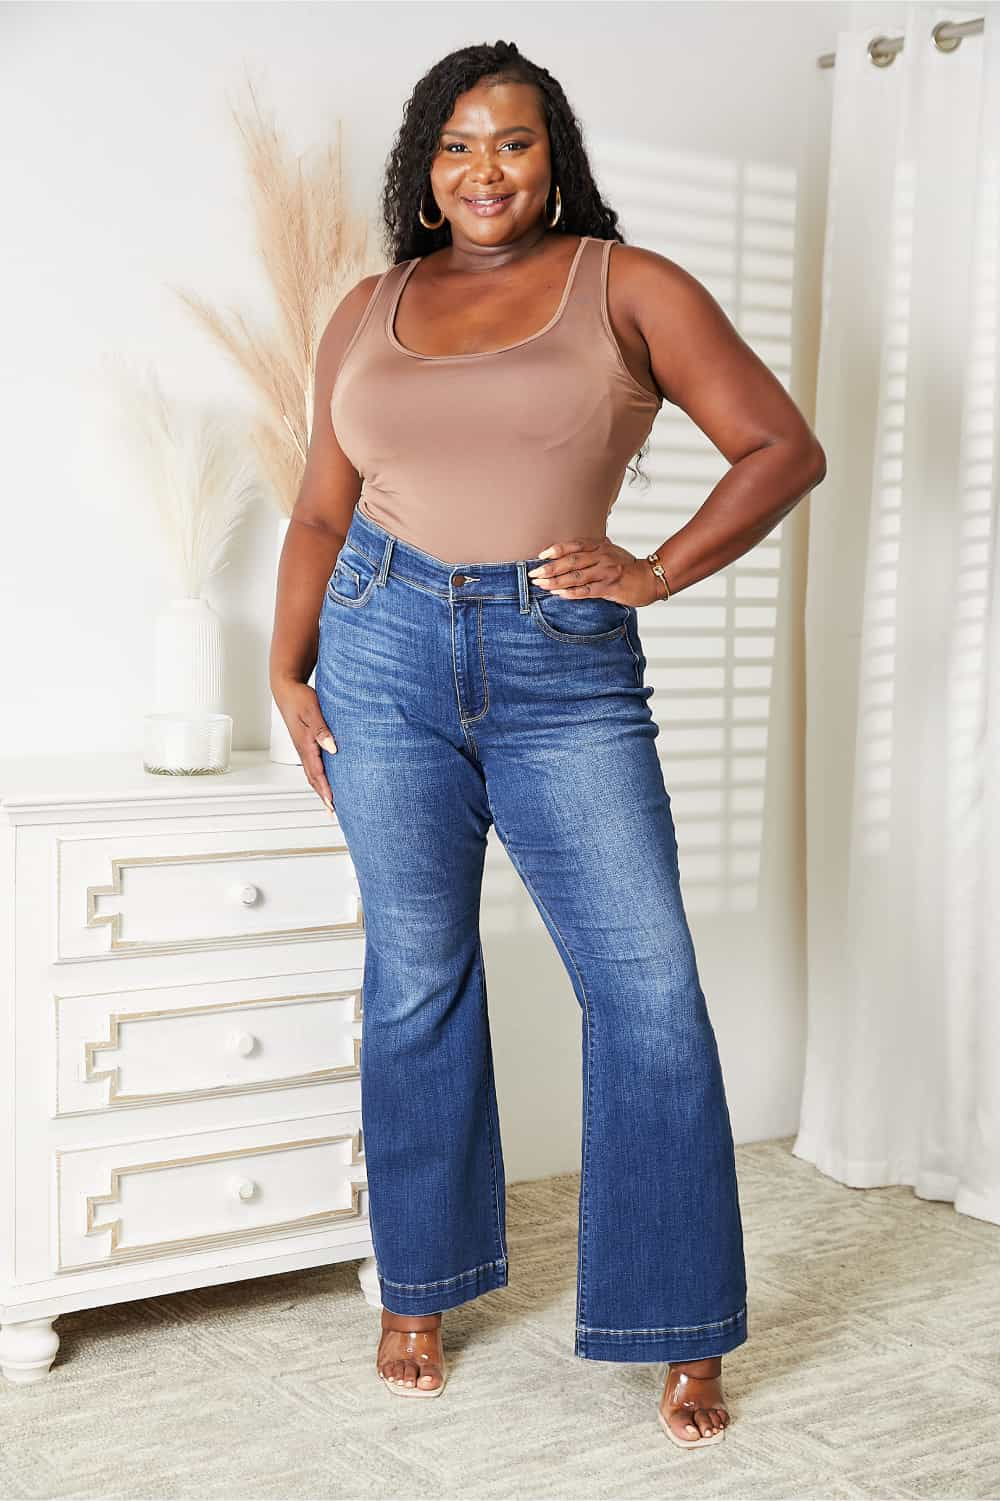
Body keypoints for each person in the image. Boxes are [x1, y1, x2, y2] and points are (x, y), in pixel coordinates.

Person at [270, 39, 825, 1449]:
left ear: (553, 155)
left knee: (644, 989)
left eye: (512, 142)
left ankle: (680, 1322)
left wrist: (654, 569)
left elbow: (778, 446)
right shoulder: (368, 306)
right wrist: (286, 663)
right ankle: (421, 1286)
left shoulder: (624, 285)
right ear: (425, 166)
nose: (484, 171)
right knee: (416, 980)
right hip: (381, 647)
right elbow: (323, 511)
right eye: (457, 145)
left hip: (560, 662)